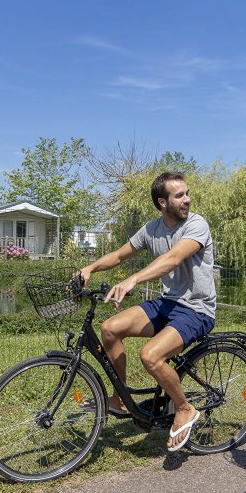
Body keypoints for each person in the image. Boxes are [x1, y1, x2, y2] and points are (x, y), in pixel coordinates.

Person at [79, 171, 216, 452]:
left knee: (151, 356)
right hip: (169, 302)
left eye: (187, 194)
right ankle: (119, 398)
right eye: (179, 196)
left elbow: (173, 258)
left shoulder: (196, 225)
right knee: (110, 329)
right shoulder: (151, 229)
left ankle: (184, 408)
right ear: (162, 202)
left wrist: (134, 279)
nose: (187, 200)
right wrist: (89, 269)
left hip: (196, 309)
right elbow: (119, 255)